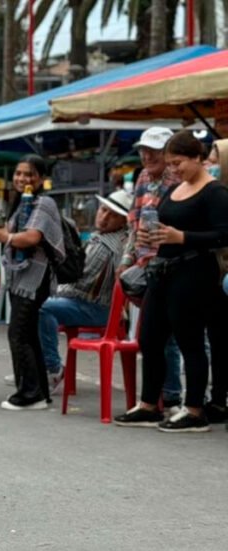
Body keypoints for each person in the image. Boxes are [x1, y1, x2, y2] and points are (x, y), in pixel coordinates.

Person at [114, 131, 228, 432]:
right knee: (150, 338)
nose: (174, 169)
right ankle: (149, 404)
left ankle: (194, 409)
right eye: (171, 164)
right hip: (162, 269)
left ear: (197, 158)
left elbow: (223, 233)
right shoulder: (174, 189)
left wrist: (183, 237)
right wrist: (148, 235)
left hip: (194, 271)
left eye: (179, 163)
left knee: (190, 340)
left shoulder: (215, 192)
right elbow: (161, 223)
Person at [33, 191, 130, 390]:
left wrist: (51, 289)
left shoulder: (105, 245)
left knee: (40, 307)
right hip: (103, 307)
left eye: (112, 215)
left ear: (123, 221)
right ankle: (39, 366)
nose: (104, 217)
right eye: (103, 210)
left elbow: (79, 283)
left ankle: (53, 368)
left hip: (95, 309)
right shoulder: (111, 237)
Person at [0, 155, 65, 411]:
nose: (22, 178)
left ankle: (29, 394)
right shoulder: (21, 203)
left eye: (29, 174)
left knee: (19, 333)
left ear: (41, 179)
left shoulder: (44, 203)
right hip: (19, 276)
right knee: (28, 334)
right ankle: (38, 392)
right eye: (19, 173)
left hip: (36, 278)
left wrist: (6, 236)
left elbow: (32, 237)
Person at [119, 127, 184, 409]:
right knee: (154, 335)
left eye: (154, 150)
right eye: (144, 150)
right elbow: (134, 224)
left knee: (180, 334)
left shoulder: (179, 179)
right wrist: (126, 260)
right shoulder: (143, 177)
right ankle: (160, 397)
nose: (147, 155)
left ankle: (176, 396)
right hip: (148, 265)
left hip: (176, 262)